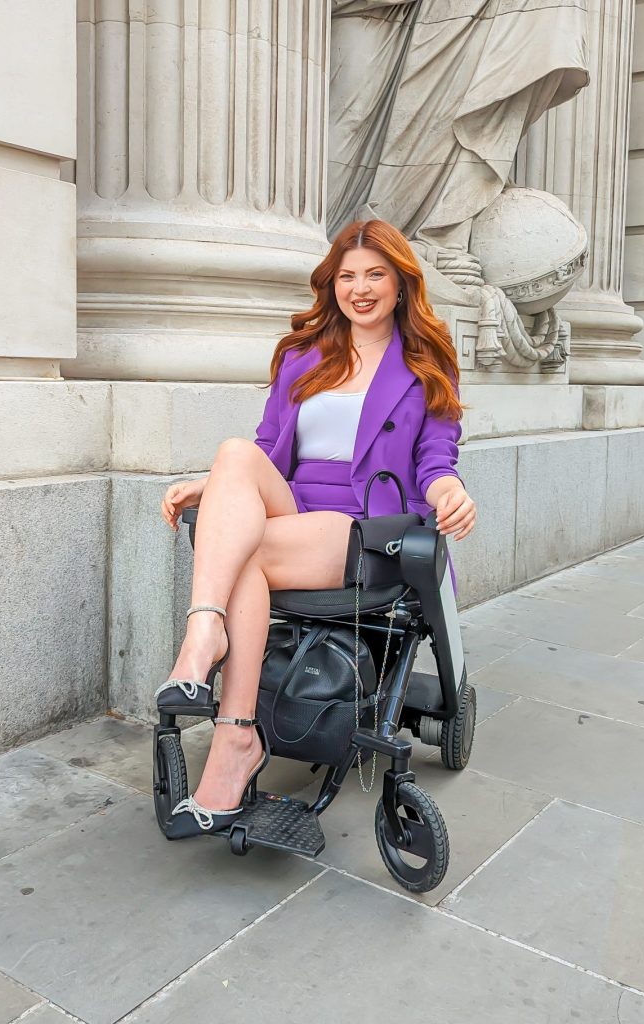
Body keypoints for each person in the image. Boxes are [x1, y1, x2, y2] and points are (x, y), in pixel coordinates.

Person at [157, 219, 476, 840]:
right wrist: (214, 486)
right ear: (332, 285)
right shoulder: (303, 356)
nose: (359, 289)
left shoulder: (425, 363)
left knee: (244, 558)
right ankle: (224, 692)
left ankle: (226, 714)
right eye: (347, 276)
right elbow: (266, 451)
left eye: (374, 274)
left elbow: (436, 459)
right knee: (232, 455)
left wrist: (450, 492)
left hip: (369, 527)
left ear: (401, 282)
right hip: (296, 516)